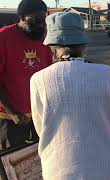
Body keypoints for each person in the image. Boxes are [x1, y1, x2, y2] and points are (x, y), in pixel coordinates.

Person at [30, 12, 110, 180]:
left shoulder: (38, 79)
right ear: (84, 45)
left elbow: (41, 128)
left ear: (52, 48)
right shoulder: (107, 74)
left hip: (60, 170)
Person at [0, 0, 51, 150]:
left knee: (41, 159)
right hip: (11, 117)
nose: (41, 26)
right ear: (22, 17)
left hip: (40, 114)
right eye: (35, 21)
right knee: (13, 164)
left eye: (43, 21)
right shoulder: (3, 38)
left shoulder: (44, 39)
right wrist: (12, 112)